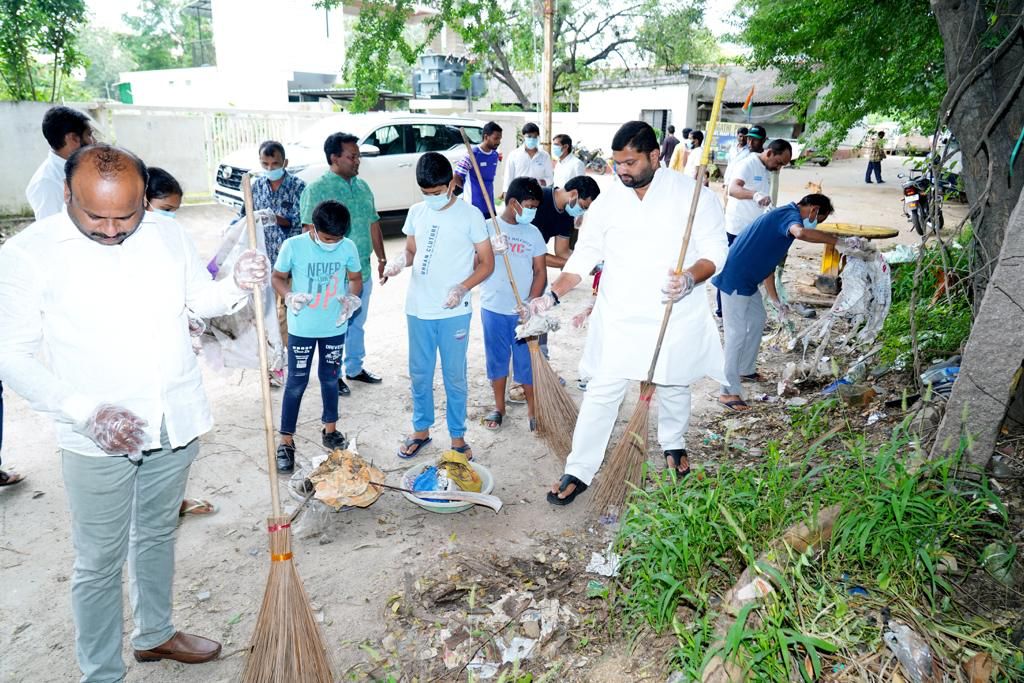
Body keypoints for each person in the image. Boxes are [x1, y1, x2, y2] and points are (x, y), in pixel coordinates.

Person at [0, 143, 269, 681]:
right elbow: (12, 355)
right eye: (93, 215)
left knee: (155, 533)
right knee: (98, 561)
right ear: (66, 195)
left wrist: (237, 283)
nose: (110, 229)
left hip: (174, 418)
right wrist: (85, 411)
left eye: (126, 215)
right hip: (96, 437)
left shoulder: (166, 232)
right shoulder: (28, 253)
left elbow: (201, 299)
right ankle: (101, 672)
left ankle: (154, 634)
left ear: (145, 198)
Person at [528, 121, 728, 506]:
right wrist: (551, 295)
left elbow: (716, 252)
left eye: (631, 162)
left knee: (673, 385)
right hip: (620, 315)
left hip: (673, 310)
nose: (622, 171)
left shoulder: (694, 196)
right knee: (603, 391)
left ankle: (673, 443)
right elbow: (584, 257)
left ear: (656, 156)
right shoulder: (608, 202)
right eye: (617, 163)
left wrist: (689, 278)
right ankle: (580, 468)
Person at [381, 153, 495, 460]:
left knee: (454, 375)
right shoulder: (417, 212)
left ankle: (458, 437)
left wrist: (462, 287)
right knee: (420, 372)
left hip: (454, 310)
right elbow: (410, 251)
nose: (431, 198)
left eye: (436, 192)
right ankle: (421, 430)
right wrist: (398, 263)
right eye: (425, 193)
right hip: (418, 307)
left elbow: (487, 264)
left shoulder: (470, 216)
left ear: (451, 184)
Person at [714, 195, 864, 410]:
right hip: (734, 278)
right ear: (813, 209)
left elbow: (769, 267)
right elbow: (801, 232)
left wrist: (776, 301)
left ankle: (745, 369)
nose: (815, 224)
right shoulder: (789, 216)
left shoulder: (784, 223)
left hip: (748, 279)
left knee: (758, 320)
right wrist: (837, 241)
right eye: (818, 219)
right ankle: (727, 392)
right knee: (735, 333)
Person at [271, 200, 363, 472]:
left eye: (338, 238)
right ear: (312, 228)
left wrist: (351, 298)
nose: (333, 243)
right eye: (326, 238)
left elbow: (355, 279)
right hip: (302, 328)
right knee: (296, 383)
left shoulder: (348, 247)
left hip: (334, 326)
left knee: (331, 379)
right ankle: (286, 440)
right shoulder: (294, 246)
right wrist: (289, 295)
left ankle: (330, 430)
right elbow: (277, 277)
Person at [300, 132, 385, 396]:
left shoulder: (363, 187)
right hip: (332, 276)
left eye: (358, 156)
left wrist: (381, 258)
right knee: (333, 325)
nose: (357, 161)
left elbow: (373, 223)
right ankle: (331, 374)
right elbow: (307, 232)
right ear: (334, 158)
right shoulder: (316, 189)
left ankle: (355, 367)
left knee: (357, 322)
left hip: (362, 271)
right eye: (352, 156)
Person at [480, 177, 548, 432]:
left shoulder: (533, 232)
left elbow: (540, 271)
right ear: (513, 203)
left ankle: (533, 410)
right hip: (494, 307)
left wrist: (531, 302)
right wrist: (490, 252)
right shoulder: (489, 228)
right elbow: (475, 265)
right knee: (497, 360)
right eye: (529, 206)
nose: (533, 212)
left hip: (523, 312)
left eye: (535, 207)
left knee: (527, 362)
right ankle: (499, 407)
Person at [240, 140, 307, 349]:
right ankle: (273, 356)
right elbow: (243, 216)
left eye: (275, 164)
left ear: (285, 162)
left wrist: (276, 218)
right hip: (263, 259)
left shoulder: (299, 187)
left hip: (289, 262)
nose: (270, 169)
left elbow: (302, 221)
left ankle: (289, 354)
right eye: (265, 164)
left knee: (287, 310)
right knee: (265, 311)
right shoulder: (256, 187)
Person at [26, 105, 96, 220]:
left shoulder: (81, 167)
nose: (94, 141)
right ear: (72, 138)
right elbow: (52, 230)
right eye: (89, 134)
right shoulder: (46, 183)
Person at [452, 121, 503, 218]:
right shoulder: (471, 155)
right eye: (496, 138)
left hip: (489, 206)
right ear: (486, 137)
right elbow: (456, 177)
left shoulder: (495, 155)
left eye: (500, 139)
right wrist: (468, 187)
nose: (498, 142)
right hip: (473, 206)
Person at [503, 123, 554, 196]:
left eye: (534, 137)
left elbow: (550, 178)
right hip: (519, 195)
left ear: (538, 137)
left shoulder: (545, 156)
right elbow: (508, 179)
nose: (532, 139)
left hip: (538, 194)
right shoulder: (513, 155)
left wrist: (542, 182)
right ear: (523, 137)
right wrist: (506, 197)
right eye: (529, 136)